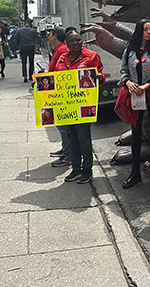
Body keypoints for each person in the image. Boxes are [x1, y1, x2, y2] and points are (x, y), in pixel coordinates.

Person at [52, 31, 104, 184]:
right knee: (72, 137)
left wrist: (99, 78)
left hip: (84, 104)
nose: (76, 43)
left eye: (78, 40)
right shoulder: (62, 58)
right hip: (68, 105)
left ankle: (87, 170)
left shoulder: (91, 56)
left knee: (84, 138)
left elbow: (100, 74)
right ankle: (76, 169)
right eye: (72, 41)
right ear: (67, 43)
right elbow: (56, 77)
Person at [119, 19, 150, 189]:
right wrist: (128, 82)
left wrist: (147, 85)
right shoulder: (130, 49)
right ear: (139, 31)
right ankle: (135, 172)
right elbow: (124, 70)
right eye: (145, 29)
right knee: (136, 136)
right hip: (135, 97)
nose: (149, 32)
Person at [46, 26, 72, 167]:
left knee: (62, 124)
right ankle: (65, 149)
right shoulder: (57, 50)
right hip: (55, 90)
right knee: (60, 123)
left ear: (55, 36)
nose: (48, 37)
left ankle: (68, 155)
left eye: (50, 34)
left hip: (60, 92)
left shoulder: (62, 50)